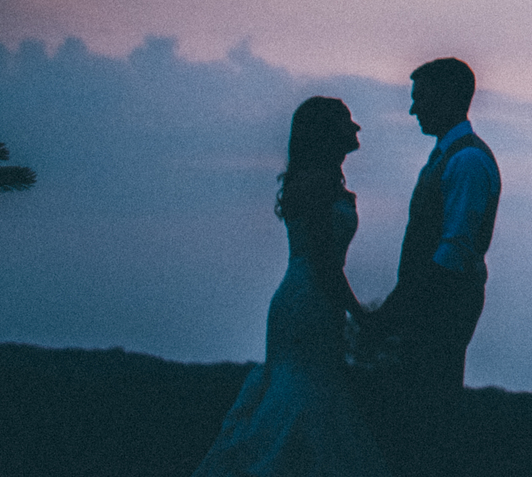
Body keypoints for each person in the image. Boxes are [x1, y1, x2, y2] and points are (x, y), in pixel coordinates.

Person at [192, 96, 391, 476]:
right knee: (304, 397)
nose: (356, 128)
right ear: (327, 134)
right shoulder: (318, 182)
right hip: (308, 302)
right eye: (347, 121)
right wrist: (358, 313)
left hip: (312, 301)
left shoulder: (319, 179)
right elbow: (322, 261)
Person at [362, 57, 500, 476]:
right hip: (432, 304)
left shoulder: (468, 161)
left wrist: (400, 307)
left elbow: (454, 250)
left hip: (441, 308)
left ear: (448, 97)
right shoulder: (448, 156)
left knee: (428, 420)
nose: (412, 110)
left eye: (419, 99)